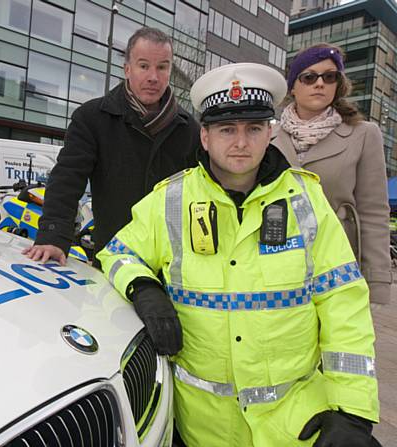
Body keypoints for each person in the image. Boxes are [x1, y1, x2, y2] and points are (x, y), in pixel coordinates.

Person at [98, 63, 380, 446]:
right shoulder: (172, 199)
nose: (241, 143)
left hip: (295, 424)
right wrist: (144, 288)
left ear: (271, 133)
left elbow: (342, 301)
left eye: (253, 129)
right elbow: (118, 253)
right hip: (201, 428)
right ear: (205, 136)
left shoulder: (306, 199)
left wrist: (353, 412)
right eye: (227, 129)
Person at [23, 27, 200, 267]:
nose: (153, 77)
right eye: (144, 65)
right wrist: (53, 236)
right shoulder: (92, 118)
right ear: (127, 69)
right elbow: (67, 178)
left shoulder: (190, 130)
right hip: (113, 260)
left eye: (162, 67)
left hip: (171, 267)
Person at [273, 43, 391, 305]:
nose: (320, 83)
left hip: (338, 264)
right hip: (277, 266)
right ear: (293, 86)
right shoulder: (268, 137)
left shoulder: (363, 134)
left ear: (338, 84)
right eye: (309, 77)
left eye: (329, 76)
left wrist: (376, 282)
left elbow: (373, 212)